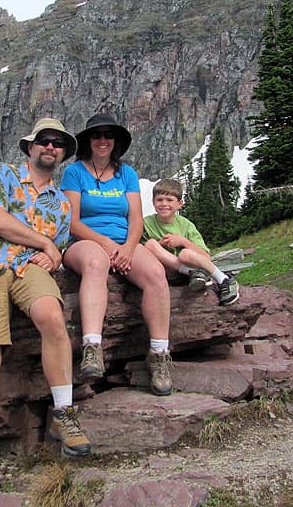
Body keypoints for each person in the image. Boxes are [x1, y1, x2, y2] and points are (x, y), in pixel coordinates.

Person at [0, 118, 92, 486]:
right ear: (30, 147)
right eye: (44, 141)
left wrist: (54, 255)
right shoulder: (3, 176)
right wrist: (46, 244)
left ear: (63, 153)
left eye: (58, 143)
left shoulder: (61, 204)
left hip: (28, 267)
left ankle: (64, 413)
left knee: (52, 316)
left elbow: (60, 249)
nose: (51, 147)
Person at [60, 113, 173, 396]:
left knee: (157, 275)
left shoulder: (127, 174)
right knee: (96, 264)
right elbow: (72, 221)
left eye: (108, 135)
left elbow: (136, 220)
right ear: (88, 140)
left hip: (125, 242)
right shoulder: (74, 172)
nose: (102, 140)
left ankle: (159, 354)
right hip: (85, 241)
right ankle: (92, 347)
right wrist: (107, 245)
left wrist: (128, 248)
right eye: (97, 135)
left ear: (116, 141)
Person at [142, 178, 240, 306]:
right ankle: (190, 272)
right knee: (150, 245)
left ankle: (223, 279)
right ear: (153, 202)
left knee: (185, 254)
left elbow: (205, 256)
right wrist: (159, 246)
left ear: (180, 203)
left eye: (169, 200)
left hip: (195, 274)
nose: (164, 204)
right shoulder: (146, 223)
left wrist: (183, 241)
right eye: (159, 200)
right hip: (168, 272)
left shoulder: (186, 225)